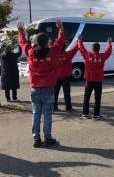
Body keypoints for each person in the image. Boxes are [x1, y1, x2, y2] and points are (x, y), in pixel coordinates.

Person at [17, 20, 64, 148]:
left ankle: (36, 139)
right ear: (47, 42)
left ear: (36, 42)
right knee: (47, 114)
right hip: (48, 89)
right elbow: (60, 43)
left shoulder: (31, 53)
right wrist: (61, 29)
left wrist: (21, 33)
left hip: (35, 89)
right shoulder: (53, 52)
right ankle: (47, 138)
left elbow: (23, 43)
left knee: (36, 114)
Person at [78, 35, 112, 120]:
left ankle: (85, 114)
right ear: (99, 49)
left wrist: (79, 41)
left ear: (92, 48)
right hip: (98, 81)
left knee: (86, 98)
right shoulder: (102, 56)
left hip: (89, 81)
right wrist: (109, 44)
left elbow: (81, 49)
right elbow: (108, 52)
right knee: (97, 98)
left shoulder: (87, 55)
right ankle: (96, 114)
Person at [53, 42, 78, 111]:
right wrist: (78, 42)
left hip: (56, 77)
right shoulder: (68, 54)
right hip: (65, 77)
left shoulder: (54, 55)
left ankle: (54, 107)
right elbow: (75, 49)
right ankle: (68, 107)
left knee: (55, 93)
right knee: (67, 93)